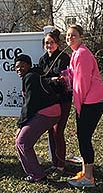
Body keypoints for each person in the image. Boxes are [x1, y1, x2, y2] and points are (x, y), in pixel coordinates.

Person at [65, 24, 103, 188]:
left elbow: (81, 84)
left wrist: (79, 107)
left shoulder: (82, 54)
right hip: (87, 100)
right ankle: (84, 171)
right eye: (68, 35)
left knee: (84, 139)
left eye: (73, 35)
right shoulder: (76, 53)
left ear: (81, 37)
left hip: (93, 101)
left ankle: (89, 178)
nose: (70, 38)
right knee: (83, 137)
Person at [14, 54, 61, 183]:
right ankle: (34, 172)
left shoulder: (30, 77)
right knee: (21, 142)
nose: (19, 69)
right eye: (16, 67)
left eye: (22, 66)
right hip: (49, 111)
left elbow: (29, 104)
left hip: (48, 112)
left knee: (22, 142)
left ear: (29, 65)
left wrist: (20, 125)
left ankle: (37, 174)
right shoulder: (31, 76)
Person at [38, 26, 72, 178]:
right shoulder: (43, 59)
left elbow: (63, 81)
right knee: (50, 132)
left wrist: (50, 80)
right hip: (49, 101)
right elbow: (40, 80)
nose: (49, 46)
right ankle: (54, 163)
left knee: (58, 132)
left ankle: (61, 166)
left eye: (51, 42)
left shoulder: (64, 58)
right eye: (46, 43)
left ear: (57, 43)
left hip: (62, 100)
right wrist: (51, 80)